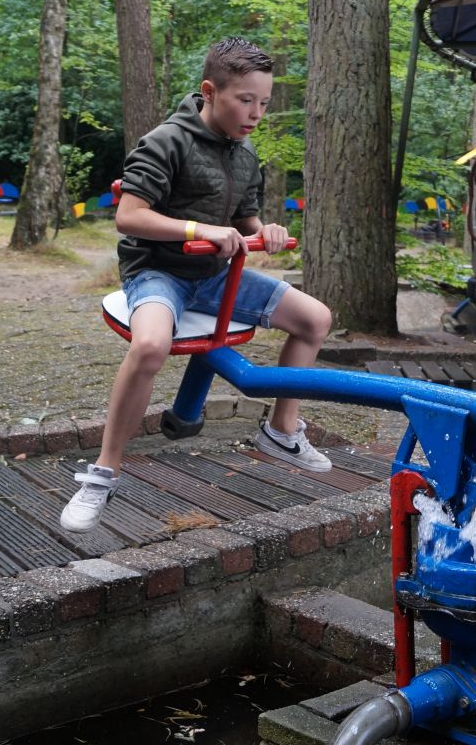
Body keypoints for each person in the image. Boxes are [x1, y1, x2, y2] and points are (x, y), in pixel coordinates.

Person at [61, 37, 334, 533]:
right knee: (150, 346)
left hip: (214, 277)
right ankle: (103, 472)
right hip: (158, 272)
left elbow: (245, 220)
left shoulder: (245, 155)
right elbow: (129, 215)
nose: (255, 113)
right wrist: (198, 230)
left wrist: (264, 232)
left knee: (316, 319)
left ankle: (281, 429)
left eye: (264, 103)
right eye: (245, 100)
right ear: (210, 91)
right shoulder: (166, 141)